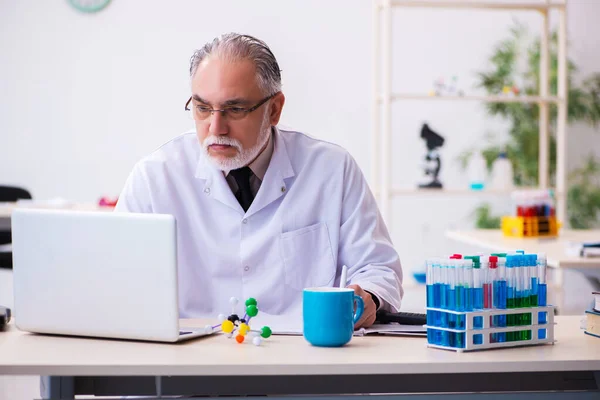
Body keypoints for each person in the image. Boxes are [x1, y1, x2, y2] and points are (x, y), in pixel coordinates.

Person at [115, 33, 403, 328]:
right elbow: (115, 280)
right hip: (187, 357)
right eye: (203, 108)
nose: (216, 127)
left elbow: (379, 269)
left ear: (274, 109)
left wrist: (368, 295)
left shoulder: (332, 169)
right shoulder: (154, 177)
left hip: (303, 356)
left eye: (235, 109)